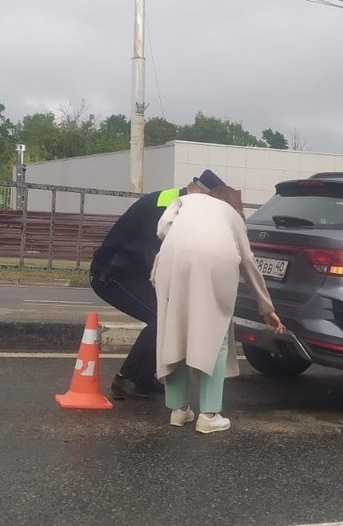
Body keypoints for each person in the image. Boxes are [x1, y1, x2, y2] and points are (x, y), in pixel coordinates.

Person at [153, 182, 284, 434]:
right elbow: (248, 262)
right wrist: (266, 307)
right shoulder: (232, 215)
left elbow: (162, 230)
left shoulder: (186, 201)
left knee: (174, 330)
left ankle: (178, 410)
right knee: (216, 334)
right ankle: (209, 415)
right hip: (216, 259)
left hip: (172, 257)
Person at [88, 170, 228, 400]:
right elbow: (153, 256)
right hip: (113, 274)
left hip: (136, 273)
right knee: (161, 318)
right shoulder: (164, 207)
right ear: (195, 191)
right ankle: (127, 379)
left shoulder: (184, 208)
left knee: (169, 317)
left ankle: (144, 376)